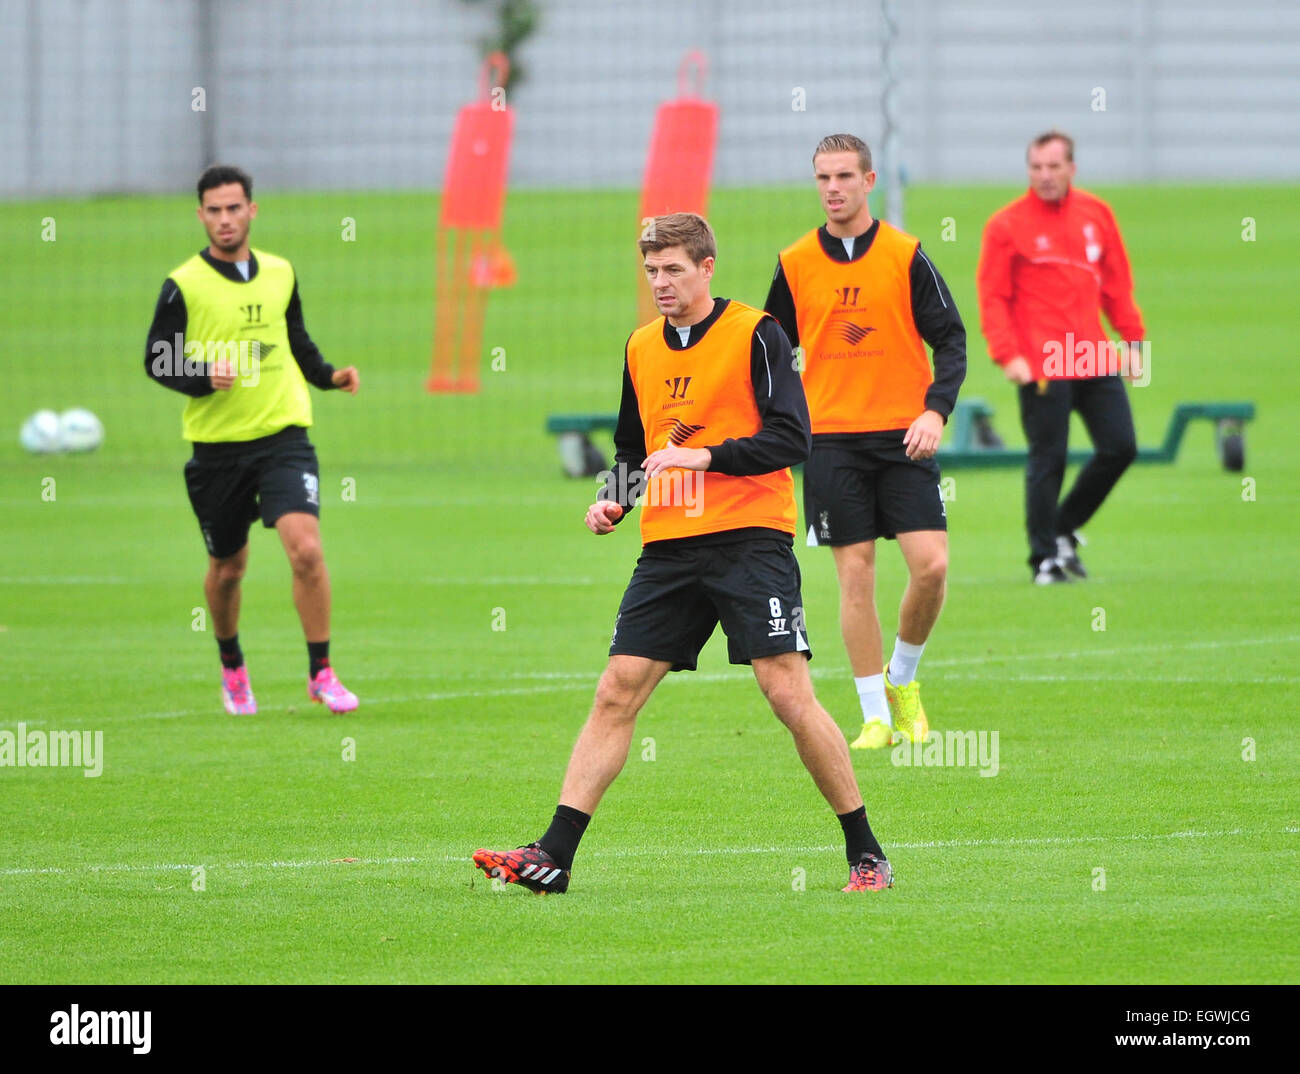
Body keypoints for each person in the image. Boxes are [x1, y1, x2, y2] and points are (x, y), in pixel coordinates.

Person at [474, 213, 893, 894]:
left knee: (786, 692)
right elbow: (635, 451)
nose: (660, 283)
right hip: (668, 549)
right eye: (650, 271)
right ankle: (553, 858)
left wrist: (705, 456)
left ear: (706, 268)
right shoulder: (641, 347)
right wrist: (614, 497)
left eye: (672, 269)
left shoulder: (758, 333)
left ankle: (867, 854)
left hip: (750, 538)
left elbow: (793, 440)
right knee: (616, 691)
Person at [764, 134, 966, 751]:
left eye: (845, 176)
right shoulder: (796, 262)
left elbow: (952, 340)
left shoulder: (906, 256)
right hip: (832, 443)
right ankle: (875, 715)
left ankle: (902, 680)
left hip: (906, 438)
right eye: (823, 177)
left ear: (869, 181)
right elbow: (767, 352)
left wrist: (935, 412)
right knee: (855, 577)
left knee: (931, 567)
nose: (832, 188)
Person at [145, 164, 361, 714]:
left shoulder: (281, 273)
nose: (224, 219)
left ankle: (321, 672)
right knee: (228, 569)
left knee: (307, 550)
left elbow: (295, 342)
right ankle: (232, 664)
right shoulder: (183, 284)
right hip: (217, 448)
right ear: (200, 215)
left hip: (284, 433)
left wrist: (329, 376)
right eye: (213, 210)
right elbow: (156, 359)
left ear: (252, 210)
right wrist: (199, 375)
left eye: (233, 208)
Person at [976, 130, 1144, 584]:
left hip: (1091, 353)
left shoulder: (1097, 214)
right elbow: (993, 296)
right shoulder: (1006, 225)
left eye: (1053, 167)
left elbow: (1117, 284)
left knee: (1120, 446)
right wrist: (1006, 354)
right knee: (1049, 457)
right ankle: (1043, 558)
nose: (1044, 176)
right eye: (1036, 168)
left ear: (1072, 167)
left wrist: (1132, 340)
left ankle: (1064, 526)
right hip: (1042, 360)